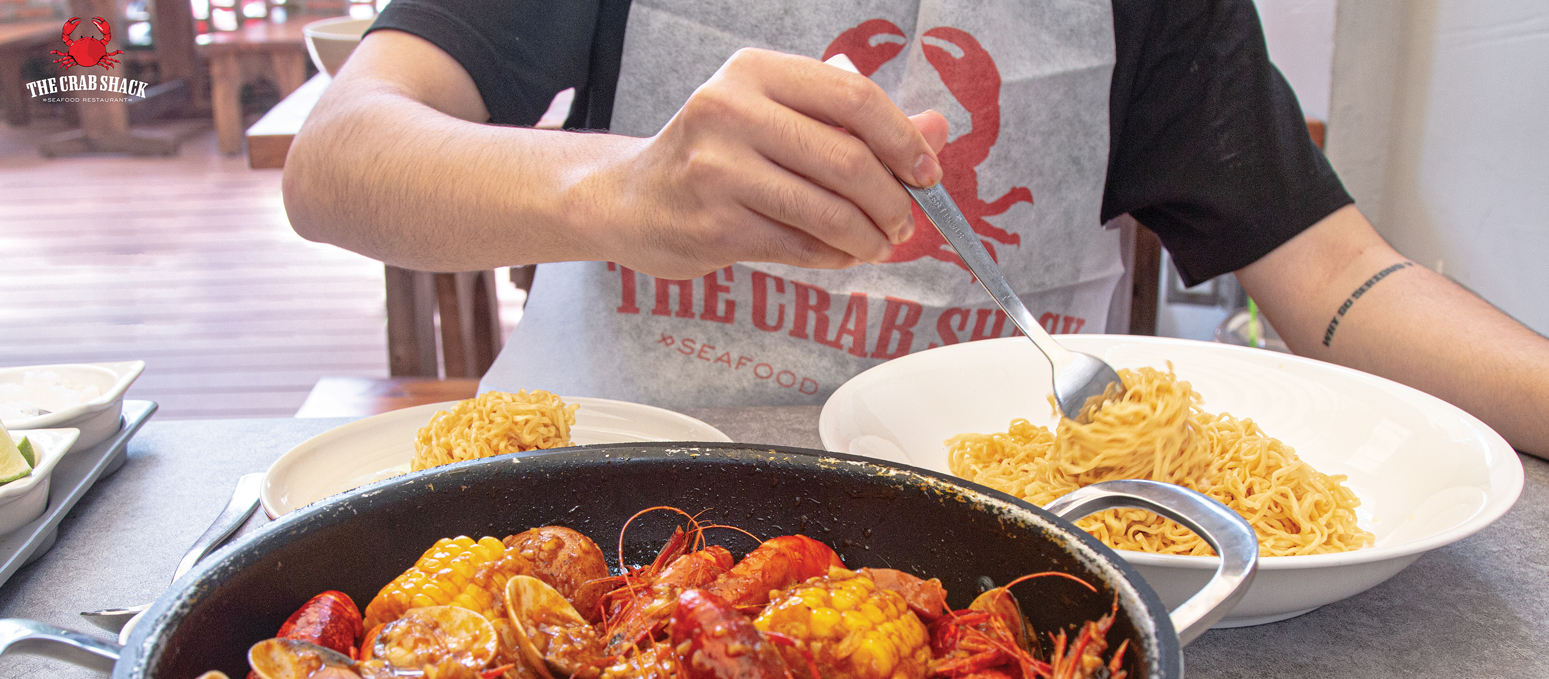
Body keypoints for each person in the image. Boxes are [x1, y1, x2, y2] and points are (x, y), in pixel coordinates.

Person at [283, 0, 1549, 458]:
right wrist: (609, 193)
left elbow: (1335, 272)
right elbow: (339, 161)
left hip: (991, 547)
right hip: (614, 485)